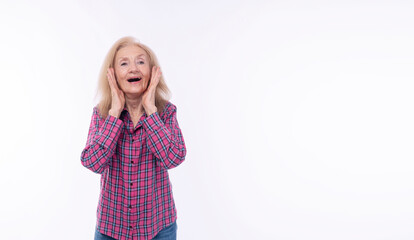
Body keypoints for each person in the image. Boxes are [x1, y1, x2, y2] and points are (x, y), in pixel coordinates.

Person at [80, 36, 186, 240]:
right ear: (112, 74)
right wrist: (114, 114)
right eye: (124, 63)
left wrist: (151, 112)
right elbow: (92, 163)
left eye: (140, 62)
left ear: (153, 71)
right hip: (111, 229)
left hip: (158, 227)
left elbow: (174, 158)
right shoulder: (102, 115)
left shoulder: (165, 113)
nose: (133, 69)